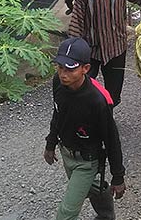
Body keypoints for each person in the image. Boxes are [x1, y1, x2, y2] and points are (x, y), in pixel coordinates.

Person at [45, 37, 125, 220]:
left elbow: (112, 139)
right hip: (66, 154)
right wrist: (50, 144)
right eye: (60, 67)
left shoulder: (98, 101)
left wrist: (118, 176)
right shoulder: (58, 82)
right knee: (88, 187)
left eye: (70, 69)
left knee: (66, 214)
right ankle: (106, 215)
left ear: (85, 69)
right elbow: (57, 112)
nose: (63, 74)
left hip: (86, 161)